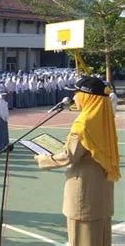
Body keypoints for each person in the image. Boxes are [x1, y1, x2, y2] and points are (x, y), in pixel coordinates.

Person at [35, 77, 119, 246]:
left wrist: (44, 159)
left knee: (82, 238)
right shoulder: (105, 118)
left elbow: (70, 155)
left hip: (84, 191)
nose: (74, 98)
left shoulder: (83, 123)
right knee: (101, 237)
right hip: (101, 189)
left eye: (77, 93)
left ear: (87, 96)